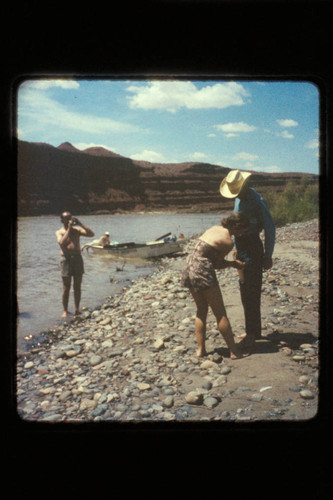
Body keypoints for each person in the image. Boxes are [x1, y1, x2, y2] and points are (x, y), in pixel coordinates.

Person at [181, 212, 250, 359]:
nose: (243, 234)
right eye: (243, 230)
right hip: (202, 271)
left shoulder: (213, 228)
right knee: (220, 313)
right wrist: (233, 264)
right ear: (237, 227)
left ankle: (201, 350)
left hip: (188, 267)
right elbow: (217, 264)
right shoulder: (228, 242)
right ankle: (234, 351)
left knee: (201, 310)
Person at [220, 170, 276, 347]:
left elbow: (270, 228)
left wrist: (268, 255)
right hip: (242, 246)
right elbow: (236, 225)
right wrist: (236, 248)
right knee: (244, 289)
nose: (235, 195)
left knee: (252, 290)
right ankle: (252, 330)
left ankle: (253, 333)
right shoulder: (238, 199)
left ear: (244, 185)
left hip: (253, 246)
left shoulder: (257, 200)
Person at [56, 212, 95, 317]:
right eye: (66, 218)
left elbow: (91, 234)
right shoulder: (59, 232)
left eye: (70, 218)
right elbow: (61, 243)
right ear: (62, 220)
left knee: (77, 286)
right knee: (66, 286)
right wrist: (69, 229)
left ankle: (77, 309)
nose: (69, 220)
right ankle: (65, 310)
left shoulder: (77, 231)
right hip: (66, 259)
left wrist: (80, 223)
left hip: (77, 258)